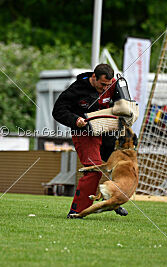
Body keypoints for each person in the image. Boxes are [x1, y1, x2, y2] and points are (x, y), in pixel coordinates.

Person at [52, 63, 128, 218]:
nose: (105, 88)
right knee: (94, 171)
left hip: (107, 132)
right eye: (102, 85)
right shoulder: (76, 89)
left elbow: (125, 104)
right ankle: (77, 211)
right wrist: (75, 119)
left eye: (108, 85)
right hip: (84, 134)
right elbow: (58, 111)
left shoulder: (114, 84)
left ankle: (113, 201)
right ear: (94, 77)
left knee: (115, 168)